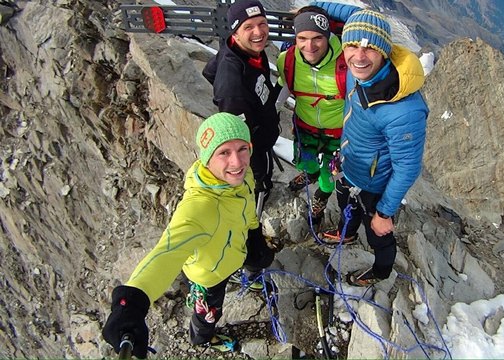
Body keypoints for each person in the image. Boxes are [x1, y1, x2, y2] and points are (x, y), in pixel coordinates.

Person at [101, 113, 275, 357]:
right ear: (206, 159)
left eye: (242, 148)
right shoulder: (199, 207)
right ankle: (202, 337)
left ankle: (247, 275)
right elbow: (168, 251)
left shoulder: (241, 177)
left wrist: (254, 232)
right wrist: (131, 303)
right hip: (209, 275)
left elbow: (245, 208)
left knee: (256, 260)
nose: (237, 161)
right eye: (223, 152)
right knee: (209, 312)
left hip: (234, 250)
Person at [319, 9, 429, 287]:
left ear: (383, 52)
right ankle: (348, 233)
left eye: (369, 48)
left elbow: (407, 168)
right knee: (345, 202)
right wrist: (314, 8)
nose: (358, 56)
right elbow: (357, 15)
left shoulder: (404, 110)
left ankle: (381, 272)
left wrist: (384, 212)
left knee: (379, 233)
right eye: (352, 46)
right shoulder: (364, 74)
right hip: (350, 165)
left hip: (374, 185)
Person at [202, 0, 280, 205]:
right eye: (248, 27)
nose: (258, 32)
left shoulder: (241, 49)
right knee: (257, 182)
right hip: (255, 146)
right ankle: (256, 199)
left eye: (262, 23)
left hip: (261, 130)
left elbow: (209, 71)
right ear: (236, 33)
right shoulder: (232, 85)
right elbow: (239, 137)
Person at [275, 5, 346, 223]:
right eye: (302, 38)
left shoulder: (346, 62)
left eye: (317, 38)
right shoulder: (287, 61)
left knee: (329, 175)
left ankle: (321, 197)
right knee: (305, 161)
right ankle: (310, 172)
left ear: (328, 36)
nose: (309, 45)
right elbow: (284, 88)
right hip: (305, 127)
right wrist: (271, 113)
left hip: (338, 133)